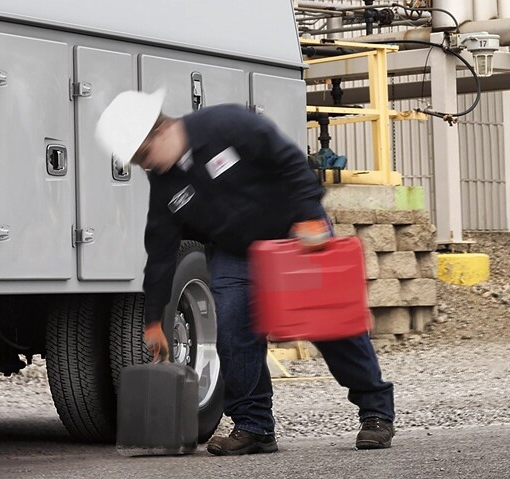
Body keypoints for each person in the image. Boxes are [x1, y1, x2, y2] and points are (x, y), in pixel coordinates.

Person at [96, 89, 397, 455]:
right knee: (234, 332)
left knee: (328, 322)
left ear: (160, 130)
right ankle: (254, 426)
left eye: (143, 155)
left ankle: (376, 412)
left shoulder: (227, 124)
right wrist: (154, 319)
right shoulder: (165, 183)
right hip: (238, 251)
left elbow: (289, 160)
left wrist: (307, 215)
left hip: (295, 230)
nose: (145, 165)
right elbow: (159, 252)